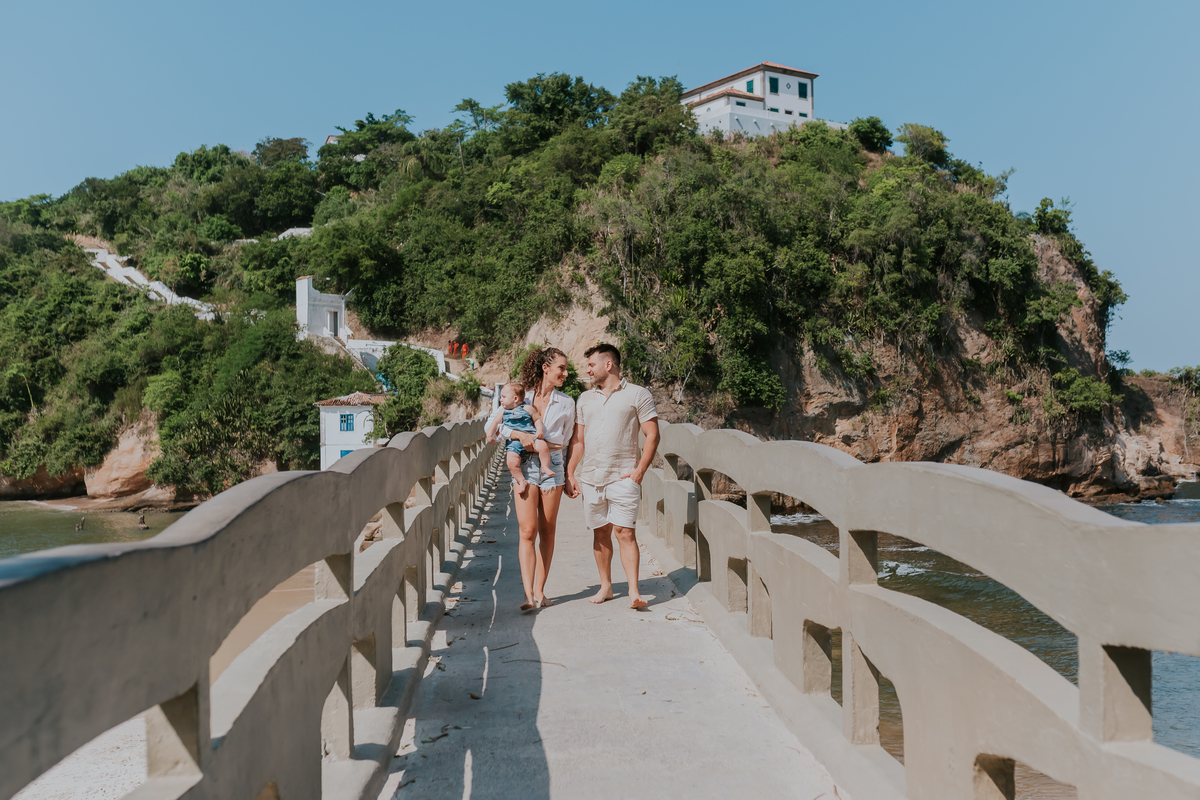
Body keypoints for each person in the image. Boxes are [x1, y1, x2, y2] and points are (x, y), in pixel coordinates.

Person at [566, 343, 660, 609]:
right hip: (592, 477)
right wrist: (571, 471)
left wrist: (640, 470)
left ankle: (633, 591)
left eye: (591, 365)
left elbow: (652, 434)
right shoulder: (584, 399)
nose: (588, 370)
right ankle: (606, 586)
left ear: (609, 365)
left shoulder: (638, 394)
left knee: (625, 533)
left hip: (623, 477)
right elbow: (579, 440)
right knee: (600, 534)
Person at [487, 347, 576, 611]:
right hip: (523, 465)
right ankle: (527, 594)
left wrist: (570, 474)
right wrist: (518, 436)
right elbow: (490, 426)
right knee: (528, 530)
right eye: (561, 368)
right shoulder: (516, 394)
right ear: (545, 367)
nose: (566, 373)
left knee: (547, 530)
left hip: (553, 464)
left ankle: (540, 591)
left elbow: (570, 440)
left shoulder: (567, 403)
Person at [485, 382, 555, 495]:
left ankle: (545, 467)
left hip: (532, 437)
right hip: (513, 443)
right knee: (511, 462)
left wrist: (539, 431)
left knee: (543, 446)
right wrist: (489, 435)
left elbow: (537, 419)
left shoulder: (527, 408)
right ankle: (521, 480)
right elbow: (494, 423)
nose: (500, 399)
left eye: (503, 397)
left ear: (515, 398)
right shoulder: (503, 412)